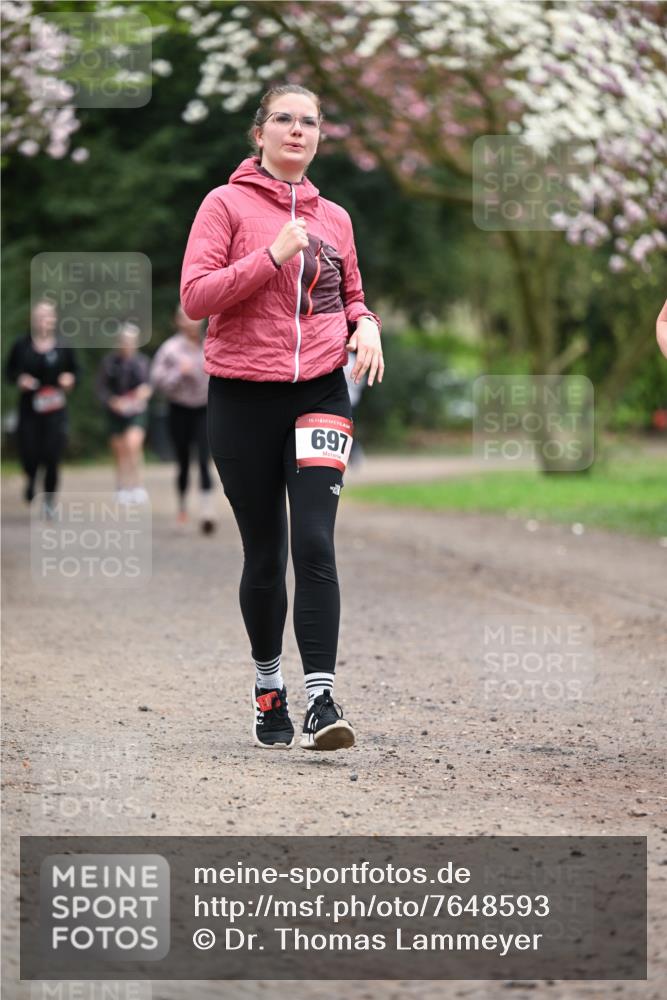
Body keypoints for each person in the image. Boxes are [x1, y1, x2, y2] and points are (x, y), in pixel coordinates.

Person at [180, 84, 384, 752]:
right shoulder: (224, 204)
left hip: (320, 393)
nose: (297, 129)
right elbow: (195, 297)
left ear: (319, 137)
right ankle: (269, 688)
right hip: (242, 397)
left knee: (316, 543)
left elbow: (350, 296)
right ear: (259, 133)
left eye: (309, 122)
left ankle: (322, 701)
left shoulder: (337, 218)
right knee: (265, 553)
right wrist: (269, 256)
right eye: (283, 119)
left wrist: (367, 324)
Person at [4, 299, 79, 517]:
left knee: (52, 455)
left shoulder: (63, 346)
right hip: (29, 409)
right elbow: (9, 372)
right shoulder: (21, 345)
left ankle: (48, 500)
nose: (43, 321)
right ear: (33, 320)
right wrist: (20, 379)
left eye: (47, 316)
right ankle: (30, 478)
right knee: (29, 452)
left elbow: (76, 371)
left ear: (54, 319)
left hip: (55, 409)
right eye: (39, 317)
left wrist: (69, 379)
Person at [150, 305, 216, 533]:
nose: (190, 321)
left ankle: (207, 511)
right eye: (184, 317)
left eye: (193, 317)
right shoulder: (169, 349)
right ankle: (182, 509)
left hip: (204, 409)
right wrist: (178, 373)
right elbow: (156, 380)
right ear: (177, 321)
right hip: (178, 409)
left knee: (205, 460)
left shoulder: (211, 344)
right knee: (183, 461)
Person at [96, 323, 152, 504]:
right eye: (124, 341)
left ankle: (138, 485)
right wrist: (113, 401)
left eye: (131, 341)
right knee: (120, 450)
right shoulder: (109, 363)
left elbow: (149, 385)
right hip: (116, 412)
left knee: (133, 445)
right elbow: (101, 389)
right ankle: (122, 486)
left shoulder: (142, 362)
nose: (127, 345)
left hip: (136, 411)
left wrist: (143, 393)